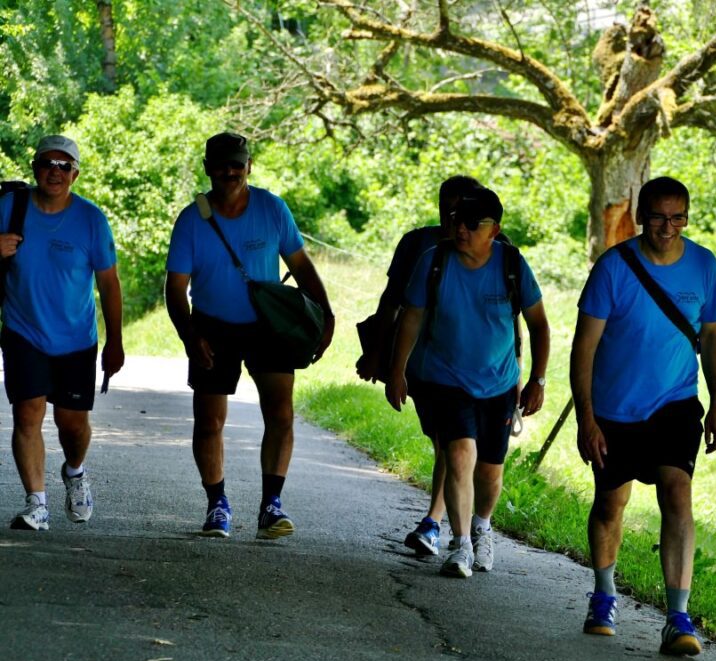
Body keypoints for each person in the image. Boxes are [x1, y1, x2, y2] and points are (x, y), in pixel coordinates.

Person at [570, 176, 716, 656]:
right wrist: (587, 419)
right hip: (615, 409)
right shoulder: (613, 268)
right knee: (610, 504)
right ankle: (603, 594)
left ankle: (678, 618)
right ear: (640, 215)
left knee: (678, 495)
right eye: (658, 216)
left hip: (675, 404)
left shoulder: (703, 264)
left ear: (687, 218)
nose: (667, 226)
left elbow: (714, 337)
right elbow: (585, 347)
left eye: (677, 217)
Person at [165, 132, 334, 540]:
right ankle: (217, 505)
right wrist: (190, 336)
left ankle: (271, 506)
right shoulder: (193, 219)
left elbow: (302, 264)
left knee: (280, 413)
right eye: (221, 164)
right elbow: (174, 288)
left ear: (249, 165)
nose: (229, 171)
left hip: (268, 326)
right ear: (208, 168)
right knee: (209, 421)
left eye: (236, 163)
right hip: (212, 326)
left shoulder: (272, 209)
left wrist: (325, 315)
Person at [386, 187, 550, 577]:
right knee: (458, 455)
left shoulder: (512, 264)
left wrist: (538, 379)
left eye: (472, 223)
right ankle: (460, 545)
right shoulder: (435, 261)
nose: (461, 229)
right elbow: (410, 318)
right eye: (457, 220)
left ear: (494, 230)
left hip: (499, 383)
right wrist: (396, 371)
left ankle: (482, 527)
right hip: (446, 378)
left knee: (490, 471)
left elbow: (540, 325)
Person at [357, 175, 517, 556]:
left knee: (453, 444)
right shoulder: (418, 244)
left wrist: (523, 375)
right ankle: (445, 524)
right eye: (449, 207)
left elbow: (515, 320)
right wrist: (379, 357)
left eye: (464, 209)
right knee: (445, 442)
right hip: (424, 365)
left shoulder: (501, 250)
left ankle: (437, 523)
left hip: (480, 370)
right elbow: (392, 303)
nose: (455, 217)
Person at [0, 135, 124, 531]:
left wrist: (116, 341)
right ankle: (36, 503)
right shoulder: (8, 208)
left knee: (72, 424)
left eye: (64, 165)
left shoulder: (91, 219)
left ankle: (74, 471)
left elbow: (109, 283)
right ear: (35, 167)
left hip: (76, 338)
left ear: (75, 174)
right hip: (22, 329)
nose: (55, 171)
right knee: (28, 412)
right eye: (47, 163)